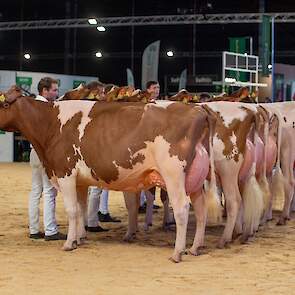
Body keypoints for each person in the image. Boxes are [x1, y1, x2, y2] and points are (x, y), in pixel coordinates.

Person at [28, 77, 66, 241]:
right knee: (50, 191)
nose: (57, 93)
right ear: (45, 90)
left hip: (34, 152)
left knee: (36, 191)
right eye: (54, 90)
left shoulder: (31, 106)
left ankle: (34, 229)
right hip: (44, 152)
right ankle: (50, 230)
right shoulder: (44, 107)